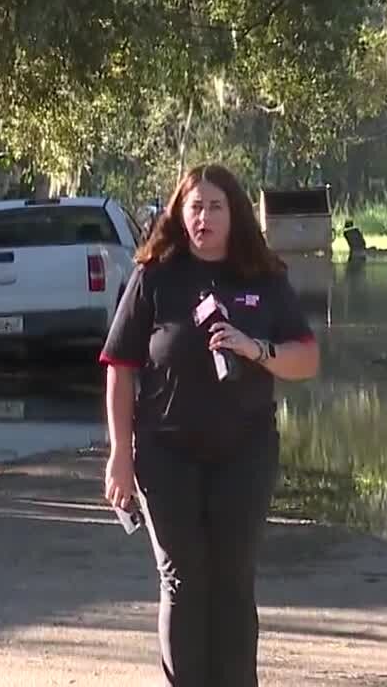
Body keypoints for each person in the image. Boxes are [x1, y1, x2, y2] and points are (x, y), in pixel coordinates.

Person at [98, 163, 321, 686]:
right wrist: (119, 455)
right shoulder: (154, 276)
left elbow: (306, 360)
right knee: (182, 580)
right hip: (164, 452)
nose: (204, 217)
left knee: (232, 580)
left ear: (234, 213)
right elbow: (120, 368)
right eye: (194, 207)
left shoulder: (264, 278)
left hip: (244, 452)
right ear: (180, 214)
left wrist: (256, 348)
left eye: (215, 206)